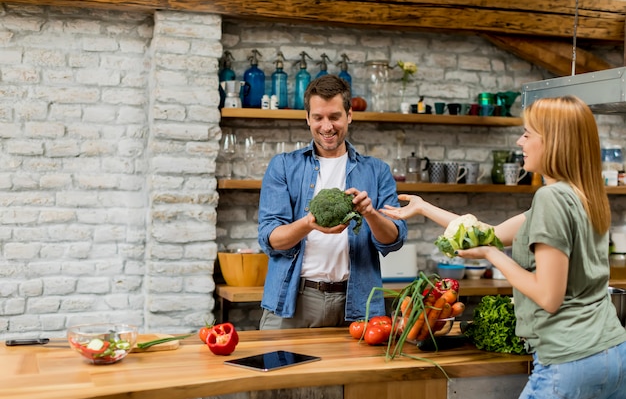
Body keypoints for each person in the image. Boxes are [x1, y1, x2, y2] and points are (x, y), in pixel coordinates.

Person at [380, 95, 626, 399]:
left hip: (570, 359)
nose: (520, 141)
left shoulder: (551, 199)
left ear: (553, 142)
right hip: (613, 355)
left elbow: (549, 296)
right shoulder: (584, 196)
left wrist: (492, 256)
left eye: (527, 134)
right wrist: (424, 207)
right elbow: (487, 233)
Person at [257, 74, 407, 329]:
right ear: (307, 118)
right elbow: (270, 239)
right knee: (281, 368)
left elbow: (394, 240)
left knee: (355, 371)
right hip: (293, 300)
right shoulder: (283, 166)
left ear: (349, 115)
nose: (327, 126)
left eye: (334, 116)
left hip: (357, 301)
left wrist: (370, 213)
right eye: (318, 117)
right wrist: (309, 224)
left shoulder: (377, 171)